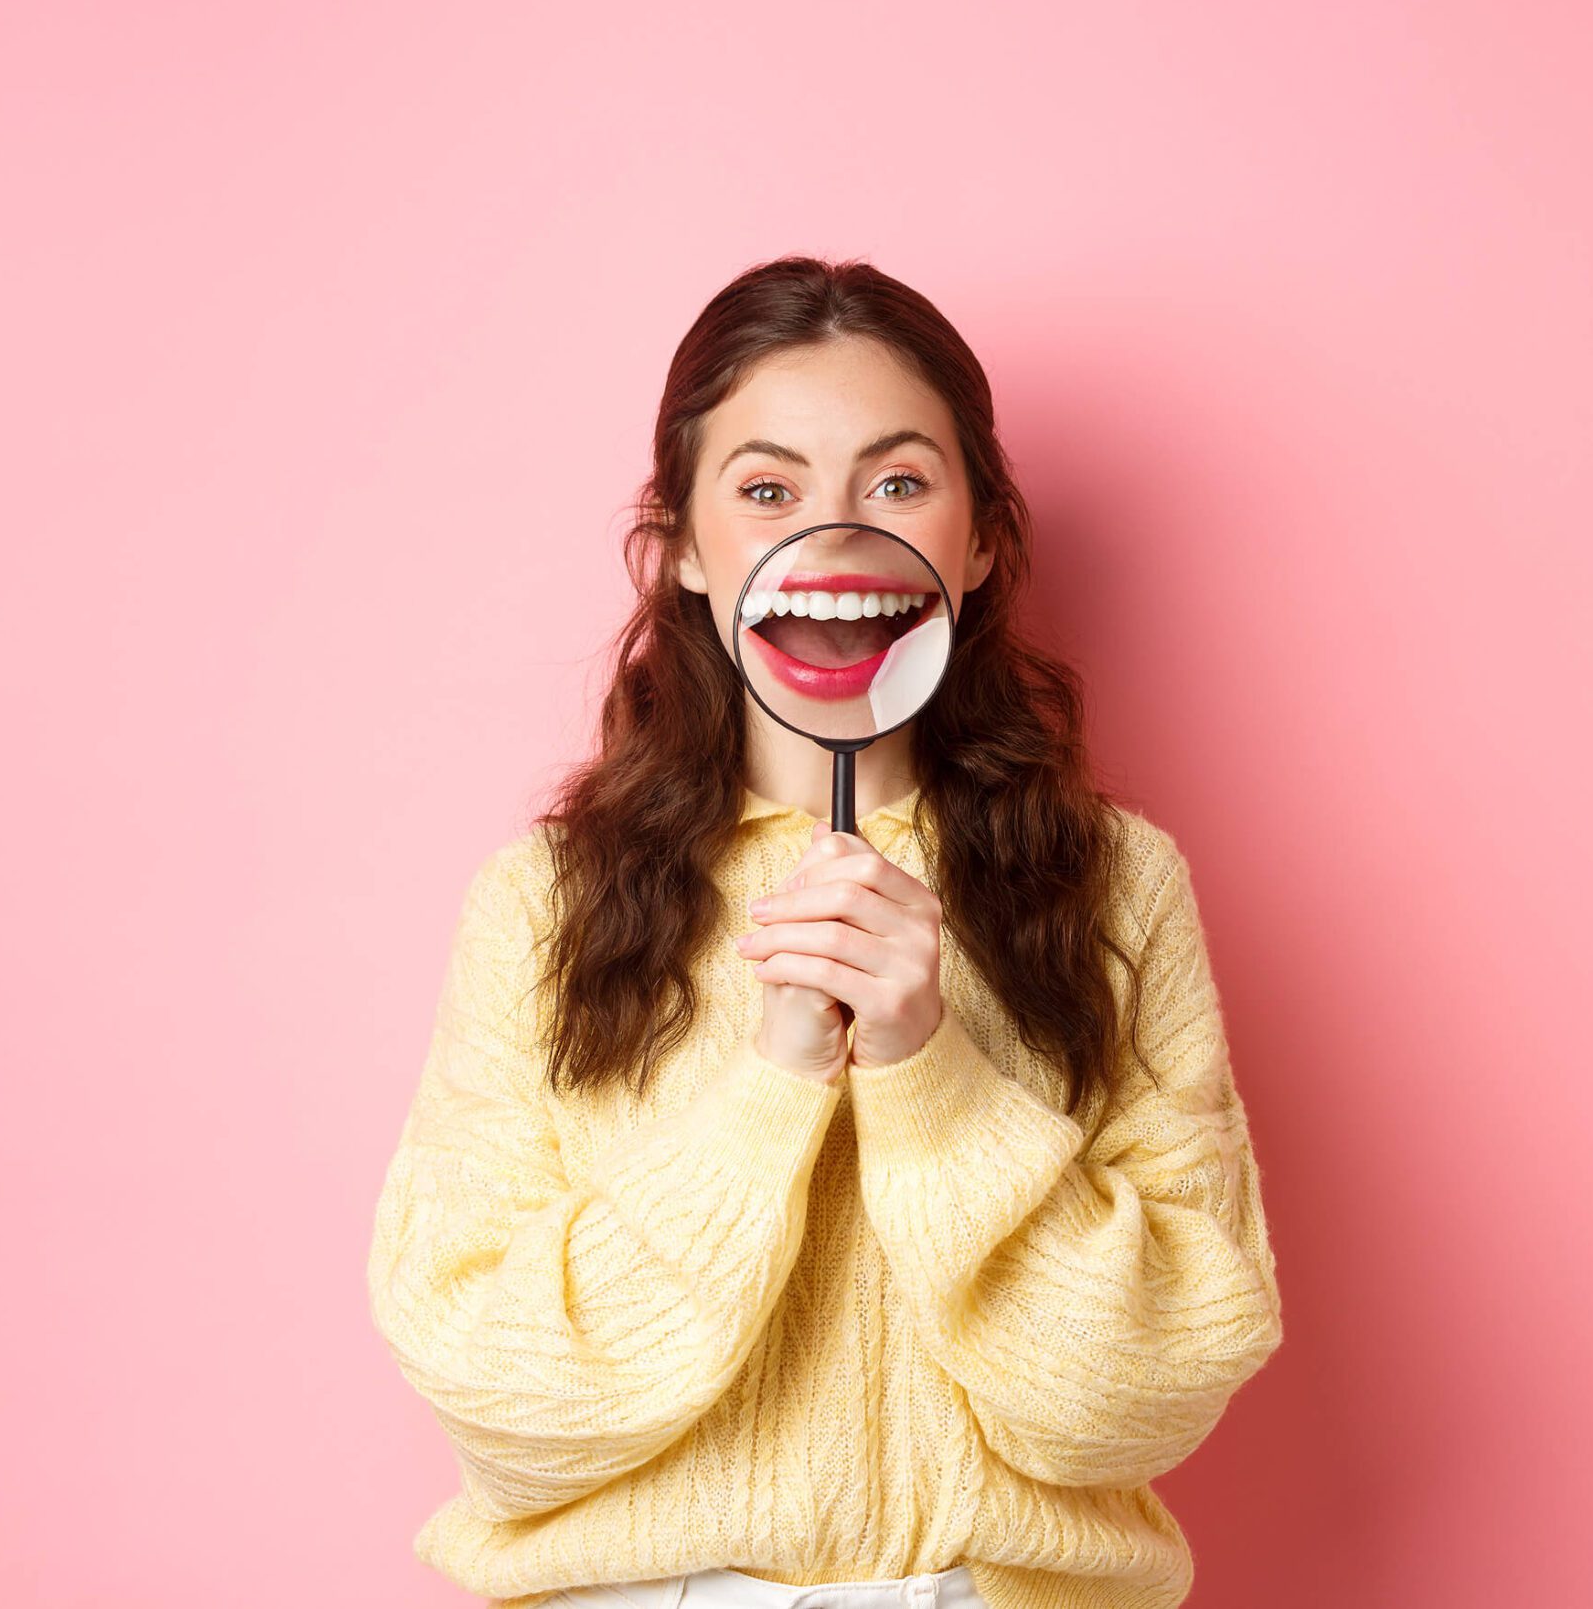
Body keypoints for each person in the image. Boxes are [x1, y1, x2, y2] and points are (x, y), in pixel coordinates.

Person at [366, 256, 1285, 1609]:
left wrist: (936, 1073)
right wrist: (772, 1080)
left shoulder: (1115, 888)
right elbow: (498, 1398)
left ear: (977, 543)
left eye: (899, 482)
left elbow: (1146, 1397)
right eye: (768, 489)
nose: (838, 533)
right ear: (681, 543)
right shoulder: (542, 907)